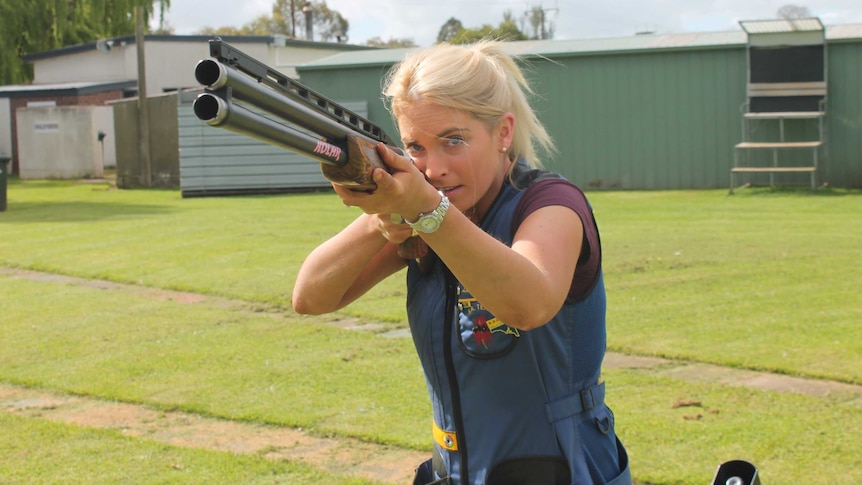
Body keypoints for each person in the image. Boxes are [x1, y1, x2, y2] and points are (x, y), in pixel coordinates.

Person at [292, 41, 631, 485]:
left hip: (563, 468)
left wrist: (428, 212)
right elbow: (310, 296)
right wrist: (382, 224)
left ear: (503, 133)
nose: (434, 168)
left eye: (454, 141)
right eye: (415, 146)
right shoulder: (420, 206)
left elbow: (528, 303)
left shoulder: (551, 203)